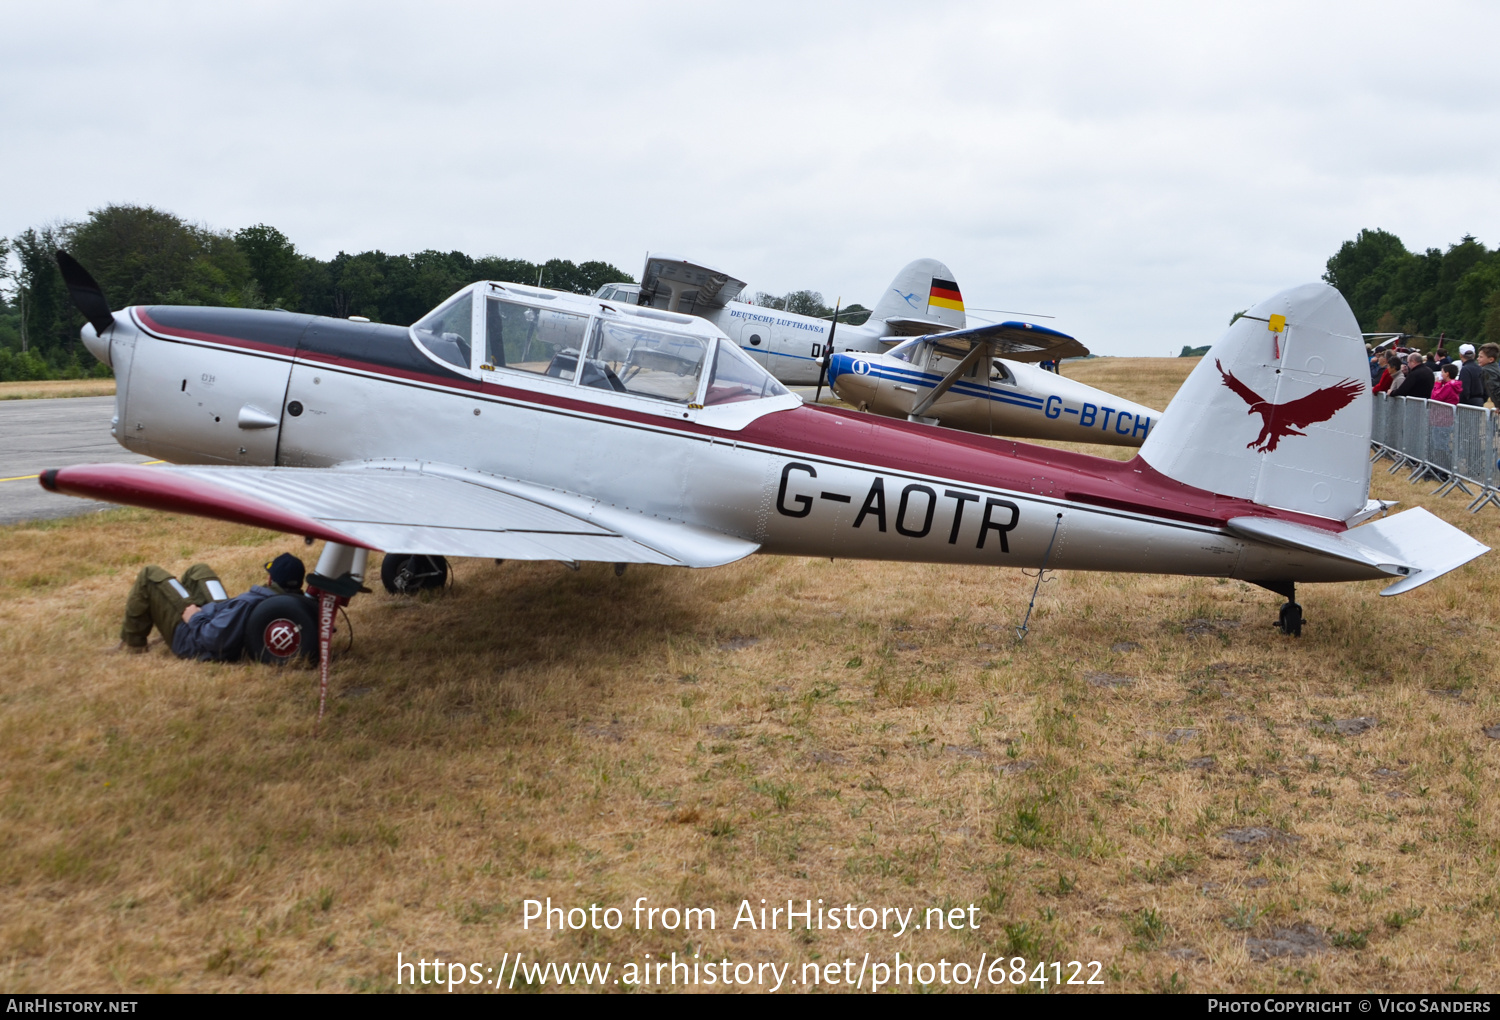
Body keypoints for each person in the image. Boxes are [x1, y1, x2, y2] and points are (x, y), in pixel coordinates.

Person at [115, 553, 306, 660]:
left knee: (150, 574)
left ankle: (133, 645)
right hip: (221, 616)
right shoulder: (293, 605)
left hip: (192, 636)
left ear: (270, 578)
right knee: (198, 570)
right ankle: (167, 618)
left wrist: (193, 616)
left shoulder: (250, 603)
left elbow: (212, 637)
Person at [1480, 343, 1500, 408]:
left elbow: (1495, 389)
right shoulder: (1495, 367)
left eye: (1481, 357)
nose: (1478, 359)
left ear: (1491, 359)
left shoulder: (1488, 370)